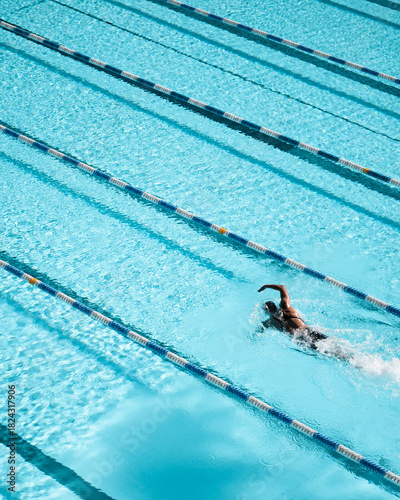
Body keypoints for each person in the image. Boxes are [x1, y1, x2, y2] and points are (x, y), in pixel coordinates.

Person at [258, 284, 328, 351]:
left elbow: (258, 331)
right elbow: (282, 288)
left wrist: (266, 286)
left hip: (301, 338)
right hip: (307, 332)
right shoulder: (282, 309)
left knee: (327, 352)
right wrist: (266, 286)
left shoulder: (273, 320)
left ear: (267, 312)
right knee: (330, 344)